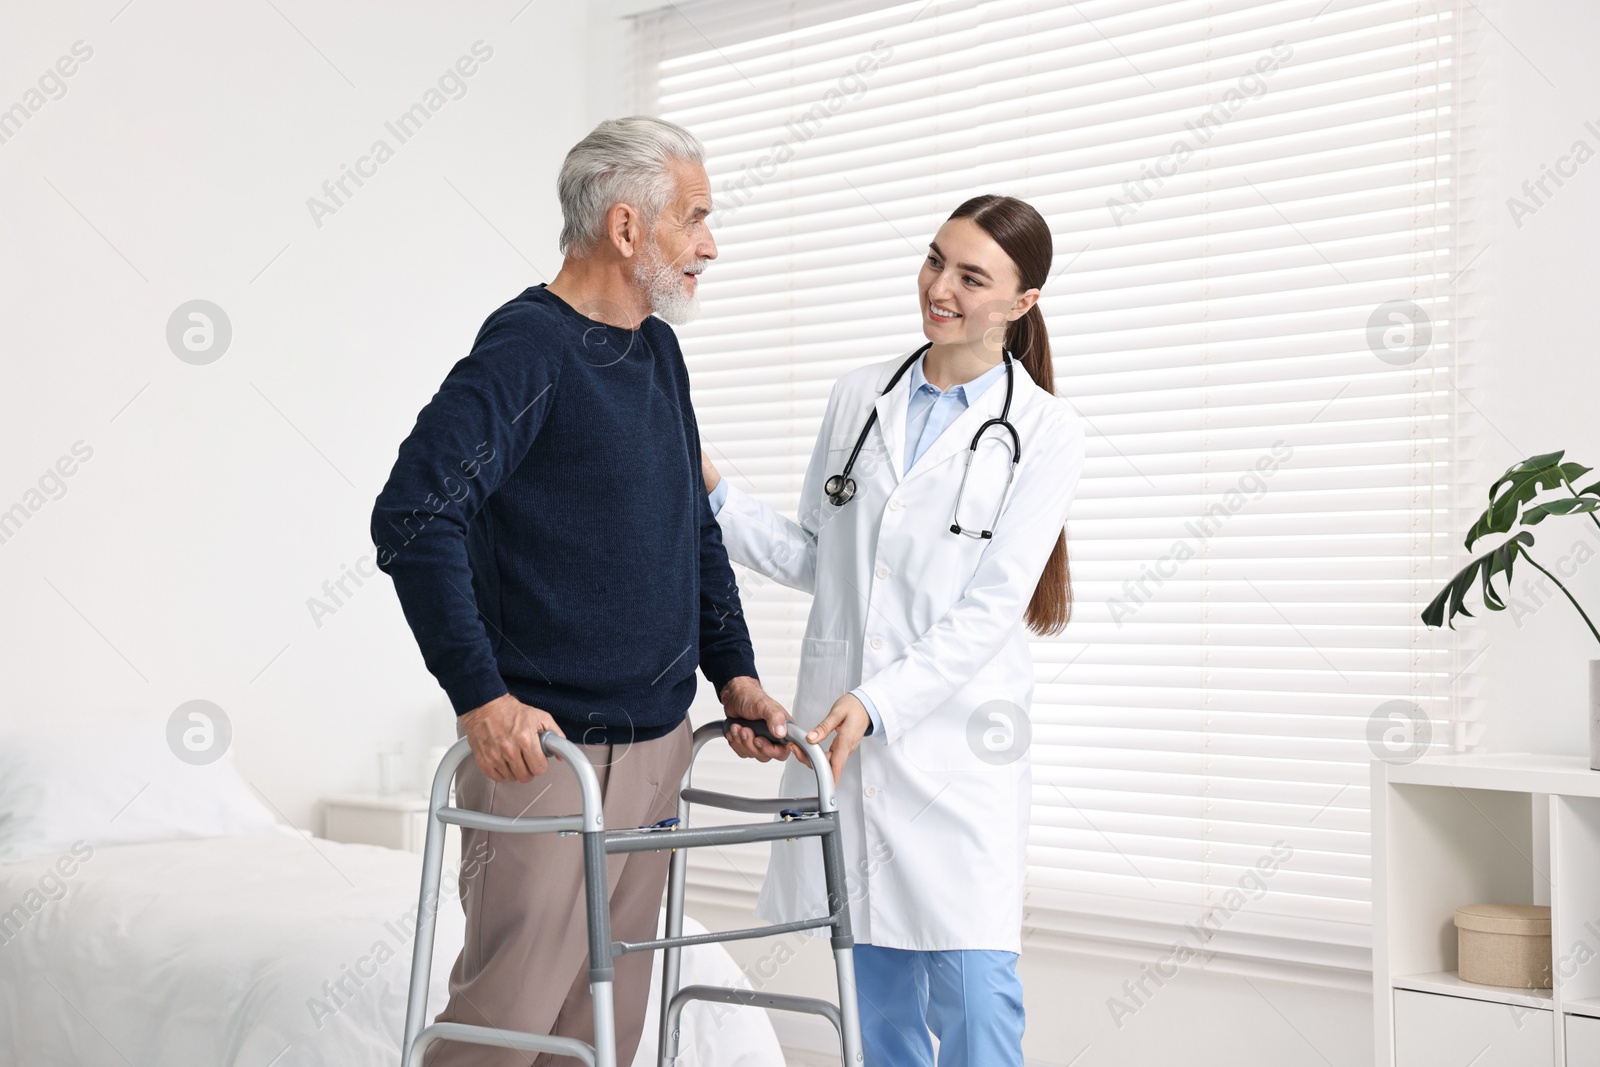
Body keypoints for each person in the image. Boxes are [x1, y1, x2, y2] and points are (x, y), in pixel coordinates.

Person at [370, 115, 790, 1067]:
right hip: (547, 761)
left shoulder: (655, 352)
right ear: (628, 228)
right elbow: (413, 513)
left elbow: (692, 525)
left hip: (655, 747)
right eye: (696, 219)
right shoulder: (531, 350)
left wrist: (735, 674)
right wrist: (480, 696)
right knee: (504, 1027)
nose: (711, 244)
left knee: (602, 1037)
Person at [705, 194, 1084, 1067]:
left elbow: (990, 610)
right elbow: (818, 556)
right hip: (849, 745)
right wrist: (715, 491)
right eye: (934, 260)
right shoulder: (859, 397)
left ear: (1022, 302)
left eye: (971, 276)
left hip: (956, 749)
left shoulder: (1045, 432)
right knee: (876, 1008)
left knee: (979, 1006)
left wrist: (875, 702)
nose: (939, 287)